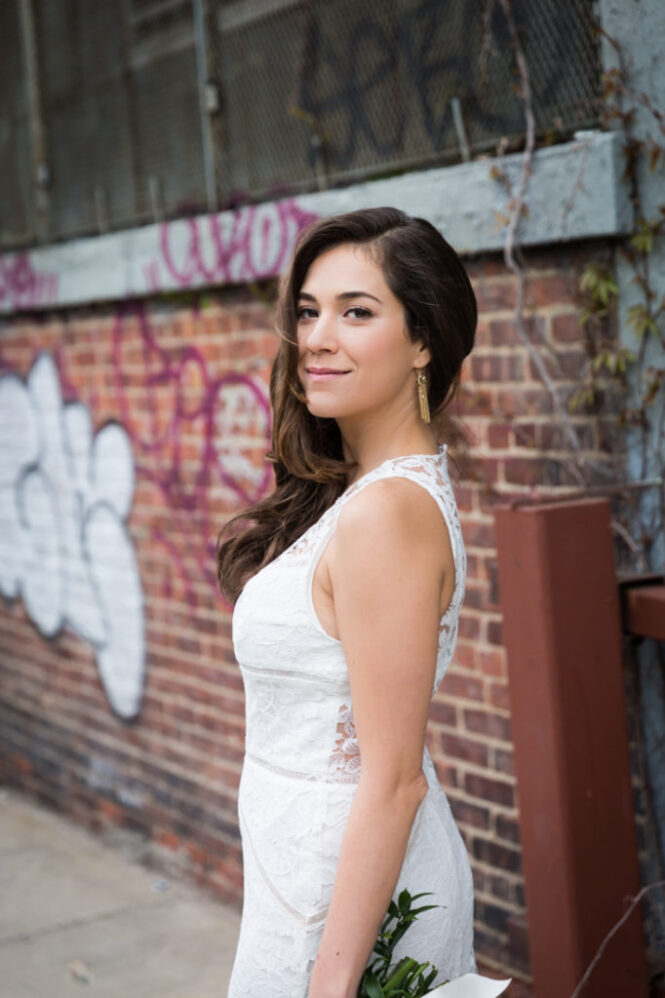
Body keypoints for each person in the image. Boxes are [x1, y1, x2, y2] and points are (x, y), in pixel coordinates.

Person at [217, 206, 477, 998]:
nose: (316, 337)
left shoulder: (384, 514)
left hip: (343, 905)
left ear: (423, 340)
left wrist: (330, 988)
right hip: (299, 877)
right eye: (307, 310)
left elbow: (393, 778)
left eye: (355, 312)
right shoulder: (362, 495)